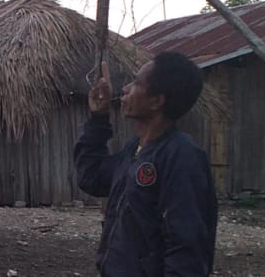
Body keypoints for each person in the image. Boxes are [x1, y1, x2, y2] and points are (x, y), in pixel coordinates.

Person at [75, 51, 218, 277]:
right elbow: (92, 178)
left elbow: (187, 248)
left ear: (156, 101)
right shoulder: (136, 150)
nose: (125, 89)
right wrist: (98, 119)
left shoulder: (182, 157)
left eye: (136, 83)